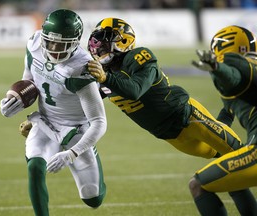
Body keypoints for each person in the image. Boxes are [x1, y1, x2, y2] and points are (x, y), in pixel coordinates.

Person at [86, 18, 257, 215]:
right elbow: (87, 101)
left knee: (234, 157)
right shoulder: (104, 73)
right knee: (223, 169)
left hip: (189, 116)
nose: (98, 49)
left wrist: (106, 78)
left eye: (104, 43)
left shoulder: (139, 56)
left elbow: (135, 90)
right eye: (96, 44)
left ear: (123, 41)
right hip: (171, 136)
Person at [0, 9, 107, 216]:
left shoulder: (81, 68)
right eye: (50, 42)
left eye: (61, 45)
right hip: (46, 121)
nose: (54, 49)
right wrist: (13, 100)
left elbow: (99, 122)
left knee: (93, 199)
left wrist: (72, 152)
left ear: (75, 43)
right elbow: (29, 81)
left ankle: (88, 154)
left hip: (77, 129)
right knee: (35, 167)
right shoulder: (34, 44)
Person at [190, 25, 257, 215]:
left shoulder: (231, 61)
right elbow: (229, 110)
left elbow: (234, 78)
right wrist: (215, 127)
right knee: (233, 177)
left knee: (198, 185)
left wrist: (217, 67)